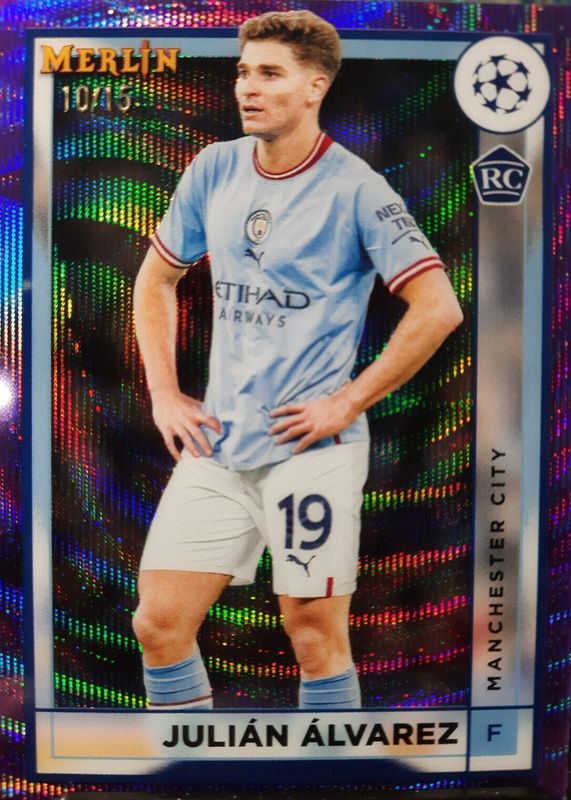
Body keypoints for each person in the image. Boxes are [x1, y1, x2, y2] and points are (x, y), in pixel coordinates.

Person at [132, 9, 463, 711]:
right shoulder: (214, 168)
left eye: (270, 74)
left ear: (316, 86)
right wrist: (164, 393)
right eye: (243, 73)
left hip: (311, 452)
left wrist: (345, 402)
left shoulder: (357, 189)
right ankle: (185, 763)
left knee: (312, 635)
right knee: (158, 625)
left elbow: (438, 307)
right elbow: (156, 278)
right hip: (219, 445)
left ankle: (331, 764)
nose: (248, 88)